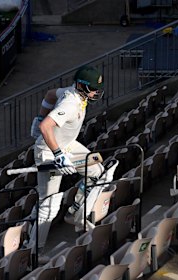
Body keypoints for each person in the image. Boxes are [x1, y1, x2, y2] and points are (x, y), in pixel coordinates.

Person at [28, 65, 107, 254]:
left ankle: (75, 212)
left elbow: (49, 94)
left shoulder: (73, 93)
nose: (96, 92)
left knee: (97, 173)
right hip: (49, 151)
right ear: (81, 85)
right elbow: (47, 127)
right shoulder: (70, 103)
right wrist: (58, 155)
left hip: (68, 145)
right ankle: (32, 251)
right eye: (93, 88)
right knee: (49, 205)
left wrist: (39, 116)